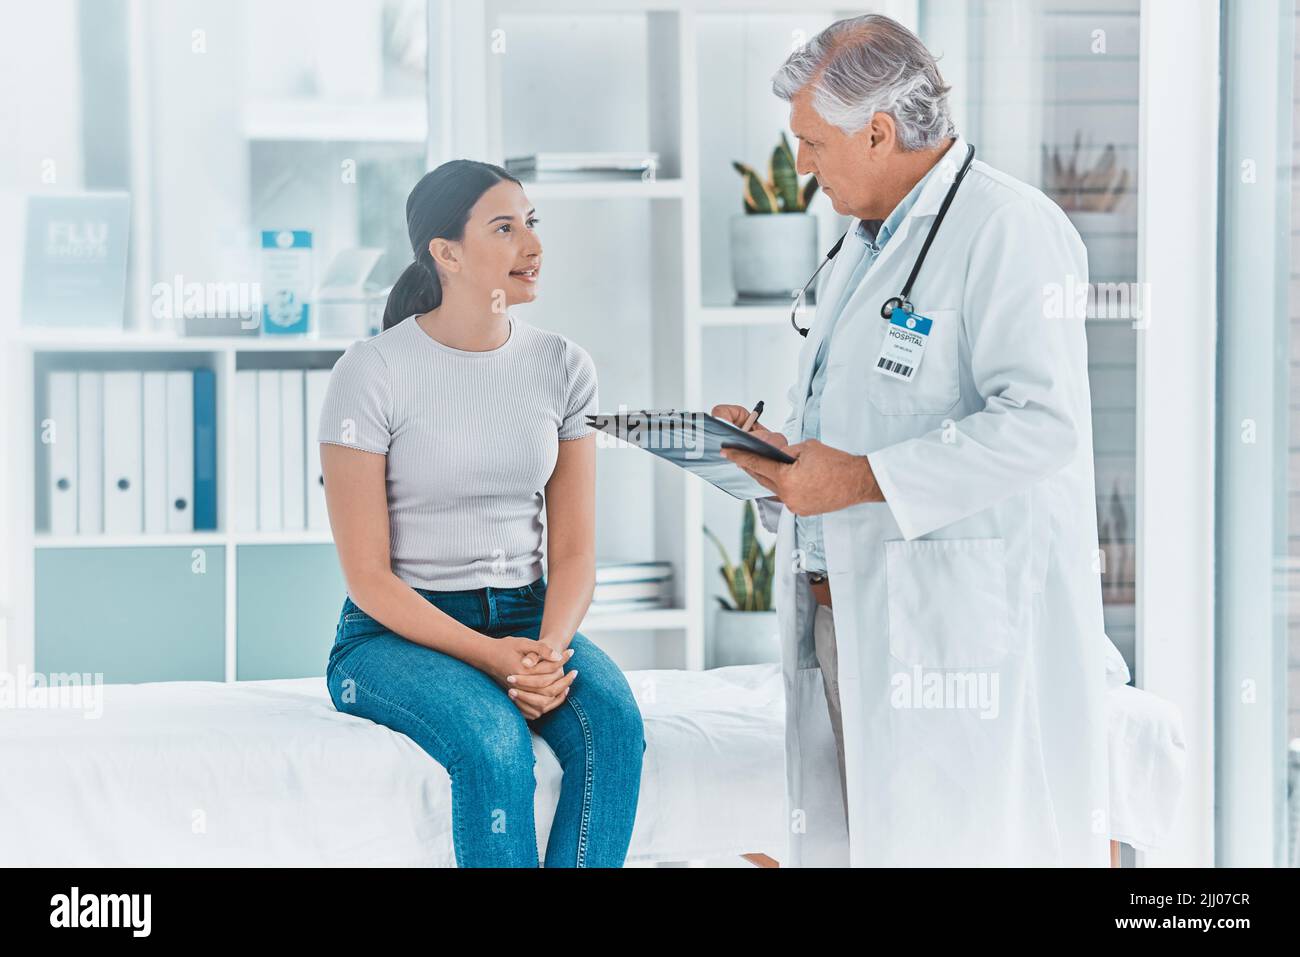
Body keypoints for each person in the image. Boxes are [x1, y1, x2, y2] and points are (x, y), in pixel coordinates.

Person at [714, 14, 1109, 866]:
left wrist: (858, 479)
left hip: (949, 627)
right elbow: (866, 420)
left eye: (813, 143)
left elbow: (1042, 426)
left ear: (879, 132)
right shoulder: (866, 243)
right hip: (844, 612)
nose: (803, 167)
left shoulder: (1009, 229)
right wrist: (781, 457)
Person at [318, 159, 645, 867]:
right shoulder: (371, 372)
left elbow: (575, 554)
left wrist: (548, 651)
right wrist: (494, 660)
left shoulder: (563, 366)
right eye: (505, 227)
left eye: (532, 222)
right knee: (493, 742)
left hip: (529, 620)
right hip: (392, 634)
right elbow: (368, 577)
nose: (532, 243)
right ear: (447, 253)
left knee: (613, 727)